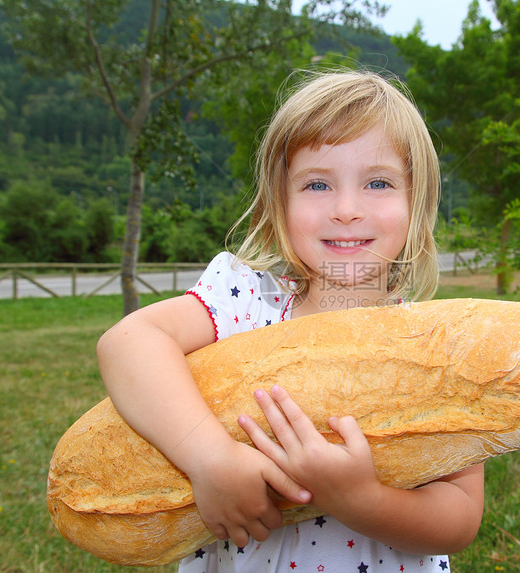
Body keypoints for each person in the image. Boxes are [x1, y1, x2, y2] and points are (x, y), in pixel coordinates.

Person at [96, 69, 485, 572]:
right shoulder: (245, 300)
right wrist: (209, 458)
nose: (346, 209)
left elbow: (459, 516)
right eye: (317, 184)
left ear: (417, 202)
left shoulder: (439, 349)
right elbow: (128, 342)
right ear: (280, 201)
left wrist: (360, 500)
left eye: (378, 182)